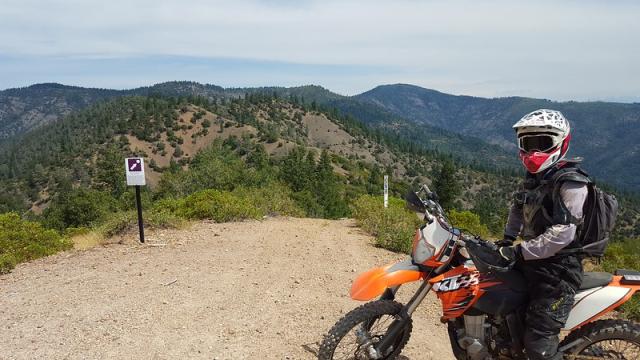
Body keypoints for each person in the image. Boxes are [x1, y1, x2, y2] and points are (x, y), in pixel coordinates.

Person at [497, 109, 588, 360]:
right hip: (534, 262)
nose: (534, 151)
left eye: (543, 143)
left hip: (559, 272)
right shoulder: (534, 179)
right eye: (529, 143)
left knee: (539, 343)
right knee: (504, 313)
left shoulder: (572, 183)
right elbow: (518, 207)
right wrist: (506, 238)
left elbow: (563, 233)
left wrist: (519, 250)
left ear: (561, 143)